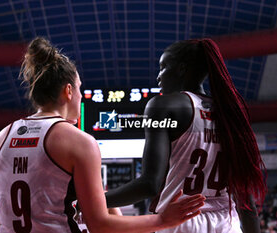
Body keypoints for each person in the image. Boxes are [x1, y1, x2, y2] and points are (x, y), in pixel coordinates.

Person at [0, 37, 205, 233]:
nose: (82, 96)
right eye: (80, 88)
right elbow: (99, 224)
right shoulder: (79, 142)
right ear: (68, 90)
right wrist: (162, 220)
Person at [105, 38, 267, 233]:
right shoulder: (231, 113)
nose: (158, 77)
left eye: (163, 67)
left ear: (182, 69)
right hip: (227, 225)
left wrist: (90, 201)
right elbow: (246, 202)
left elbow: (149, 184)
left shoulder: (163, 105)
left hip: (180, 222)